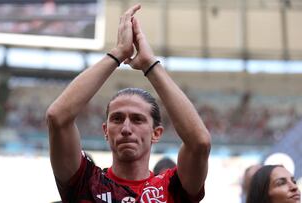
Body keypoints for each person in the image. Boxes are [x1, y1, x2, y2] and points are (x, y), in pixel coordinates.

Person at [46, 4, 211, 202]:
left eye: (137, 120)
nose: (126, 128)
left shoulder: (172, 188)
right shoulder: (86, 182)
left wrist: (150, 64)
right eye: (117, 119)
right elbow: (57, 117)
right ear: (106, 130)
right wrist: (118, 53)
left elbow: (200, 143)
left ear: (156, 133)